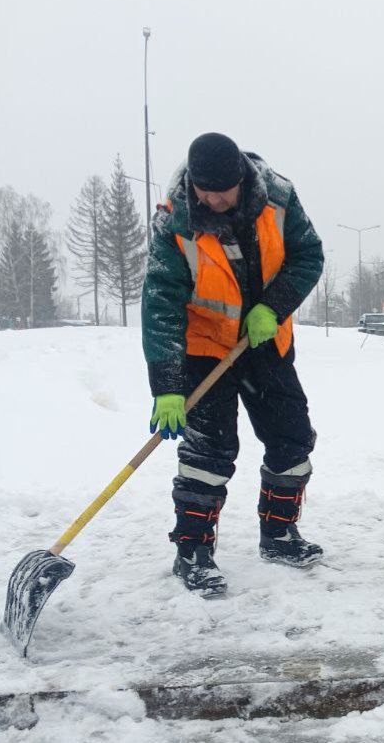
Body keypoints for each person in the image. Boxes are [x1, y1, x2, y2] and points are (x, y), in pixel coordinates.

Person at [142, 132, 324, 597]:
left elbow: (308, 256)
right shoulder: (175, 222)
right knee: (209, 454)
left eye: (224, 190)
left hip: (265, 340)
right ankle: (193, 551)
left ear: (241, 178)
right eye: (206, 191)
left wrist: (274, 306)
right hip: (205, 349)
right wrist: (167, 385)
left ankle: (279, 535)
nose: (215, 199)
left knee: (292, 438)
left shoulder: (279, 198)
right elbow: (160, 302)